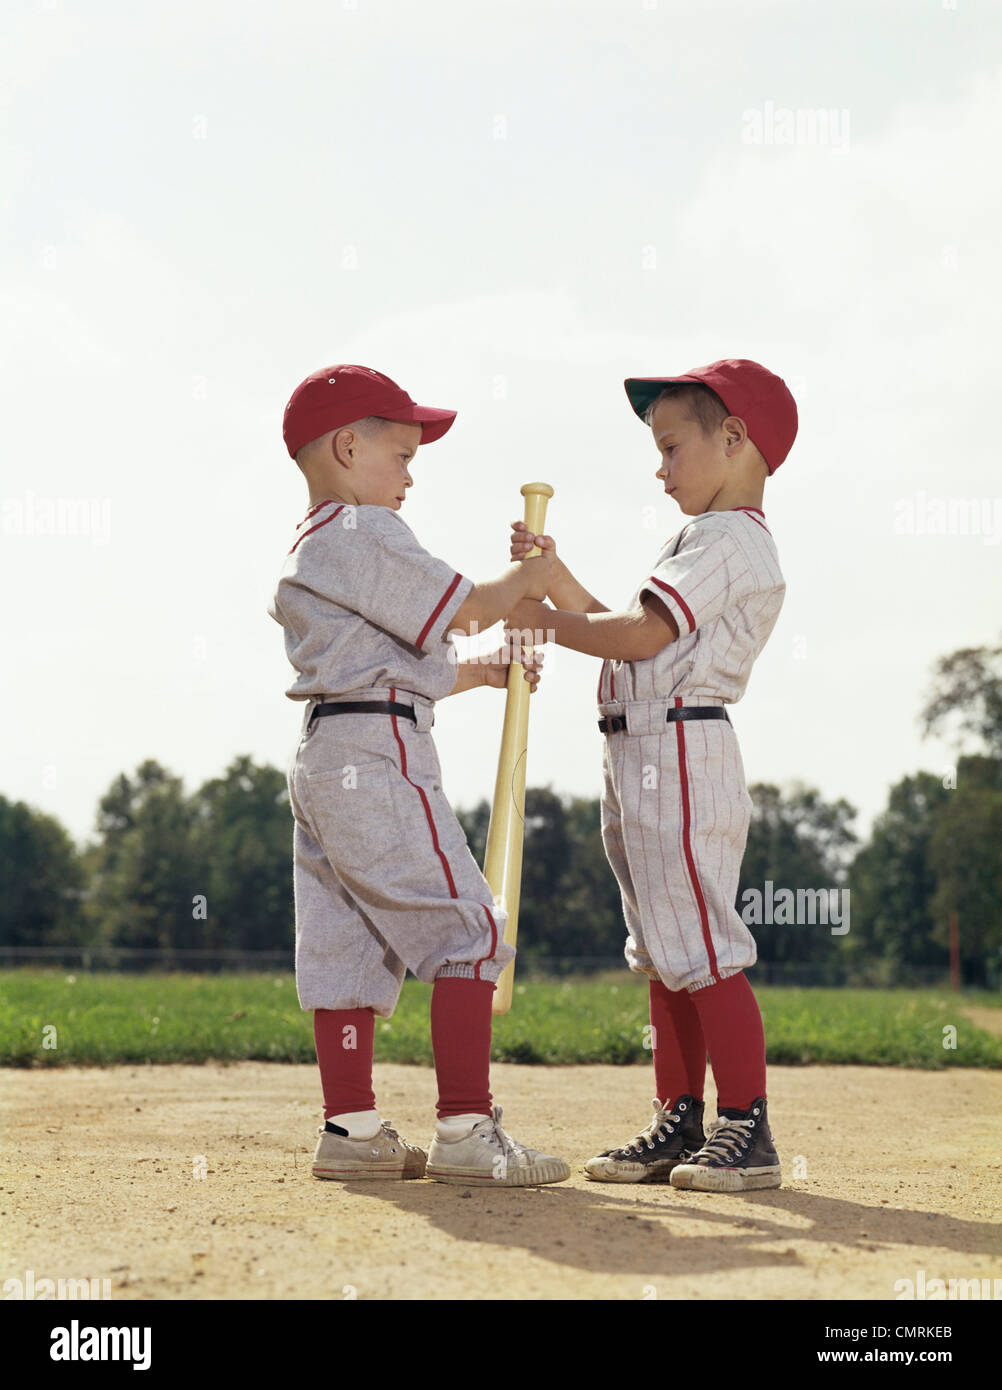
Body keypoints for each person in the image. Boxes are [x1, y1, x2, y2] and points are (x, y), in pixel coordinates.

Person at [269, 363, 569, 1186]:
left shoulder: (315, 545)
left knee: (346, 950)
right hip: (381, 754)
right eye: (400, 454)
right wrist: (530, 582)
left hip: (329, 751)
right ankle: (468, 1130)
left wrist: (483, 667)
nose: (409, 475)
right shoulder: (364, 531)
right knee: (471, 931)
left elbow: (392, 662)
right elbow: (468, 605)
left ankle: (352, 1129)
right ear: (346, 445)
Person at [507, 359, 797, 1192]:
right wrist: (554, 579)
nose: (659, 466)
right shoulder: (705, 539)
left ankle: (747, 1126)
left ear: (734, 437)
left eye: (672, 446)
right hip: (642, 749)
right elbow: (639, 631)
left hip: (678, 752)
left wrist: (549, 620)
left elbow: (634, 635)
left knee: (702, 945)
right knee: (667, 953)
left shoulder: (728, 538)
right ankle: (681, 1120)